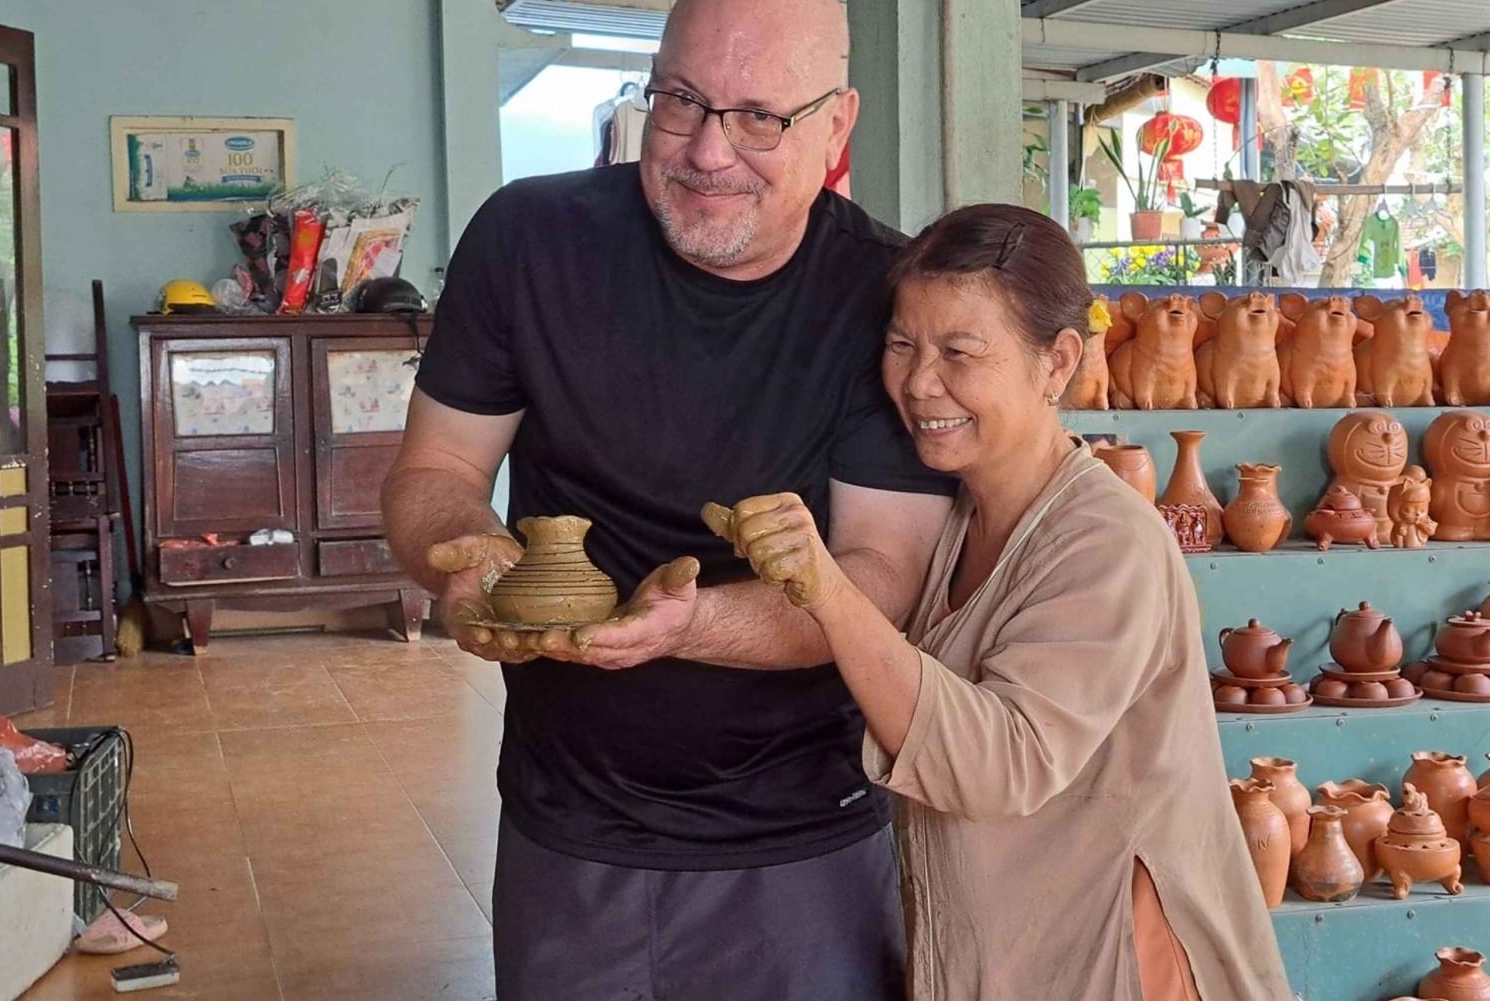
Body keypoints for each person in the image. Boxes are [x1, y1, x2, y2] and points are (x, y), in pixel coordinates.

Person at [380, 0, 957, 997]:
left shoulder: (885, 299)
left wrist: (684, 626)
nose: (705, 149)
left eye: (758, 117)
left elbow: (880, 578)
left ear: (837, 124)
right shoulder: (531, 238)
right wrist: (467, 553)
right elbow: (434, 474)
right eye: (680, 100)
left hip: (800, 838)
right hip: (567, 825)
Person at [717, 204, 1293, 1001]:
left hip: (1116, 963)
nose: (920, 383)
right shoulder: (960, 516)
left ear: (1057, 362)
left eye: (960, 351)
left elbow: (1001, 765)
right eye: (901, 345)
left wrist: (828, 592)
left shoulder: (1106, 543)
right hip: (1013, 954)